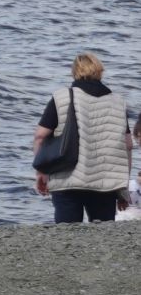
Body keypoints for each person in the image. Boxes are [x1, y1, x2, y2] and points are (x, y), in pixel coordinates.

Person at [33, 52, 132, 223]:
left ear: (75, 72)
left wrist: (41, 171)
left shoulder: (62, 97)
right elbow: (128, 145)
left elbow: (40, 136)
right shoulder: (117, 102)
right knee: (103, 237)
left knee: (67, 236)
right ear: (99, 71)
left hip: (67, 179)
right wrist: (121, 189)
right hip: (105, 183)